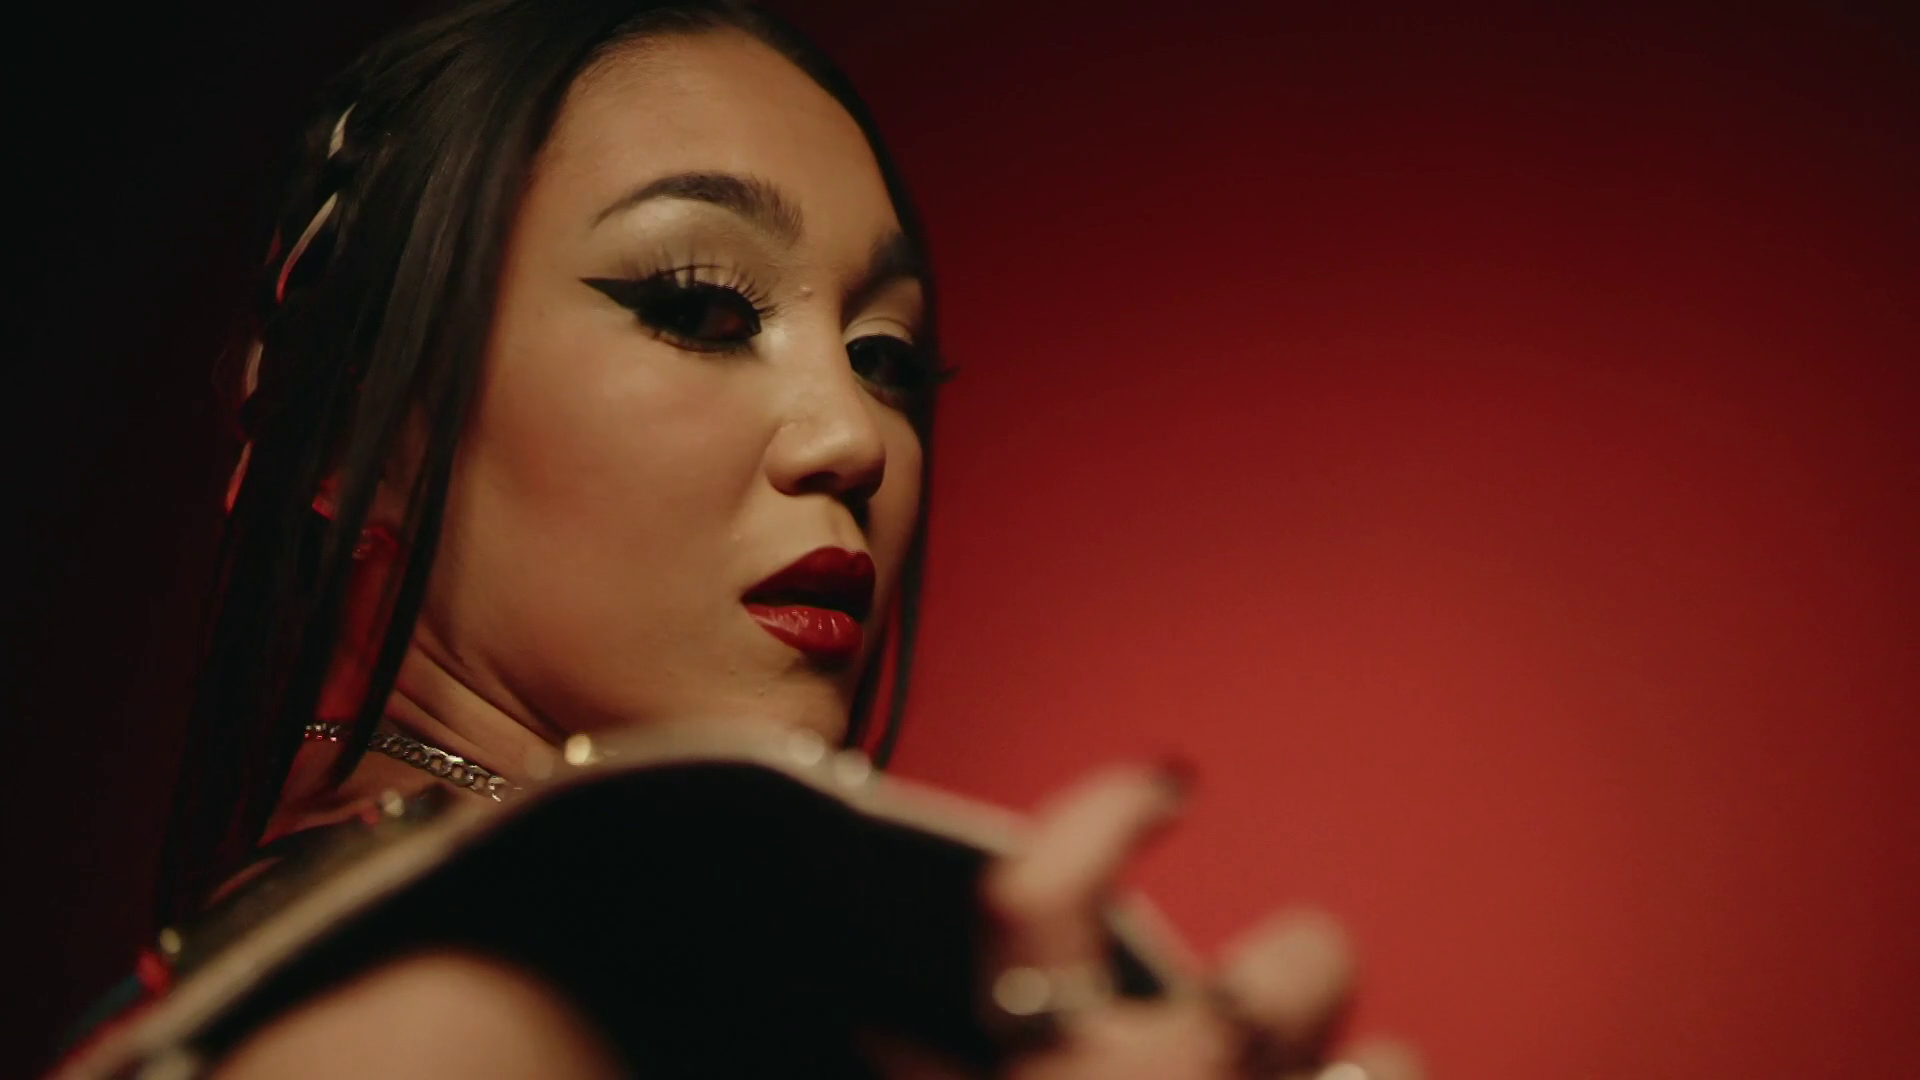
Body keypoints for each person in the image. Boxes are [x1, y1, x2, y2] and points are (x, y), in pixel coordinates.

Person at [54, 2, 1426, 1077]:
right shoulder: (441, 1027)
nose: (853, 435)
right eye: (700, 308)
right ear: (352, 420)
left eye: (887, 355)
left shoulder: (611, 966)